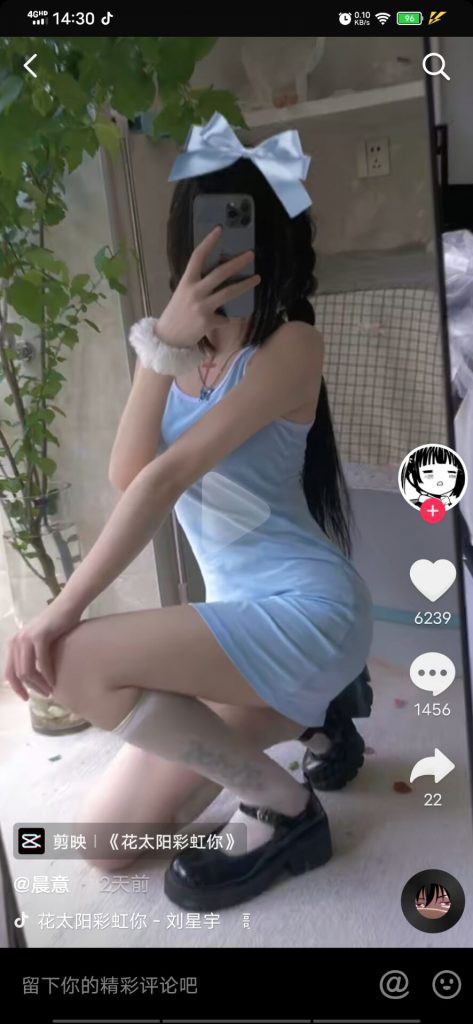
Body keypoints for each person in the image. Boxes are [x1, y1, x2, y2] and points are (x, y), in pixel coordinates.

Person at [5, 115, 373, 911]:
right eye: (204, 232)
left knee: (70, 660)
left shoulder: (290, 346)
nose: (217, 249)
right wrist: (161, 347)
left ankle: (285, 806)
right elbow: (127, 473)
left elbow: (163, 479)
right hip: (236, 629)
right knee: (106, 846)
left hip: (306, 612)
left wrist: (60, 612)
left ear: (268, 241)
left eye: (235, 230)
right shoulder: (176, 357)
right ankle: (320, 714)